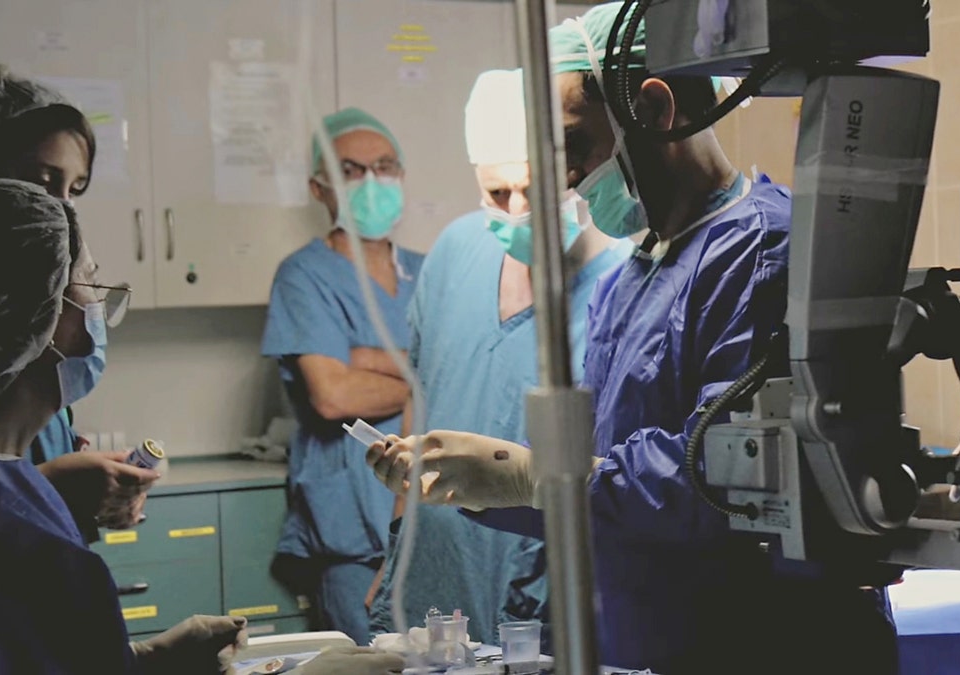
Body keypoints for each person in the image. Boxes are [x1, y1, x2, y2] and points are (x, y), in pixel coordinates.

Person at [367, 3, 900, 671]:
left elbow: (723, 479)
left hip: (762, 641)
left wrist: (532, 475)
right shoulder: (633, 277)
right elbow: (600, 483)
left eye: (574, 146)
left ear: (653, 108)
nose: (564, 179)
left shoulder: (763, 250)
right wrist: (483, 484)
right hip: (647, 641)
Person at [366, 69, 629, 647]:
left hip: (547, 586)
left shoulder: (624, 283)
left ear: (576, 171)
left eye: (534, 189)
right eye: (497, 193)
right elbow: (424, 394)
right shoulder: (457, 250)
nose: (517, 210)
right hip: (433, 570)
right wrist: (398, 547)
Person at [0, 179, 248, 673]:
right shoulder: (14, 527)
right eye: (90, 285)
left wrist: (150, 660)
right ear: (42, 317)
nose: (97, 316)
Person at [0, 63, 152, 543]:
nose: (62, 214)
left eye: (73, 191)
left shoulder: (16, 344)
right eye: (39, 184)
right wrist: (47, 486)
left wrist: (82, 489)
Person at [261, 106, 425, 643]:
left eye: (384, 166)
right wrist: (420, 376)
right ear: (319, 187)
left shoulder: (430, 271)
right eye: (350, 170)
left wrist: (366, 356)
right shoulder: (304, 275)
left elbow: (463, 378)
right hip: (353, 530)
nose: (371, 181)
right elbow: (333, 395)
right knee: (369, 660)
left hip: (430, 522)